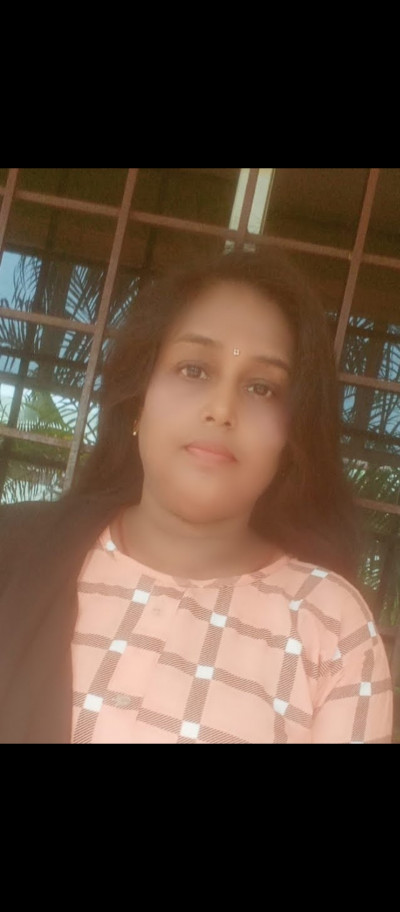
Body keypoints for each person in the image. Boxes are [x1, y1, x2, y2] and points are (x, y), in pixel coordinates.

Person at [0, 245, 393, 743]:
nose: (221, 409)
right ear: (138, 401)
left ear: (291, 435)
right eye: (194, 370)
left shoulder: (331, 629)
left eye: (262, 388)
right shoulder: (14, 554)